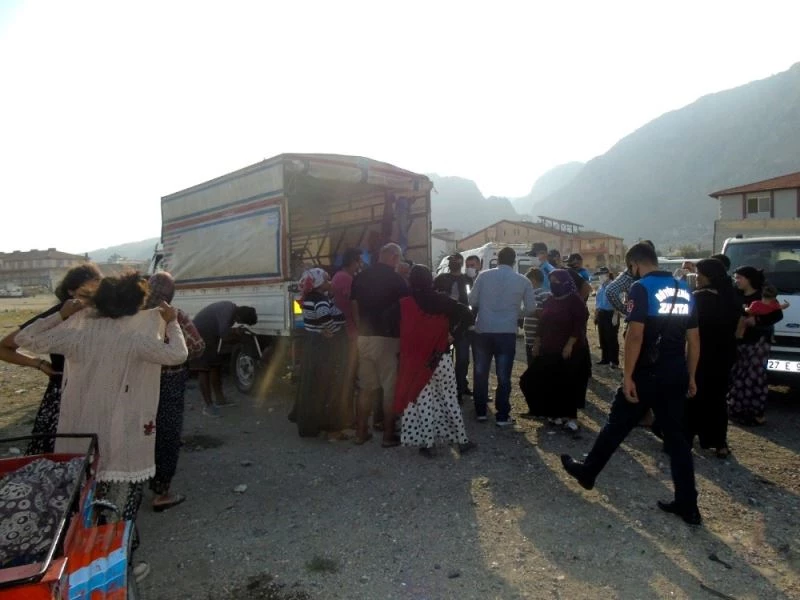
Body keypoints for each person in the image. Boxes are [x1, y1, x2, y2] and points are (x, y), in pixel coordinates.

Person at [15, 272, 188, 578]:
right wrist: (172, 321)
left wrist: (61, 313)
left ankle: (78, 569)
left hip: (81, 440)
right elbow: (178, 355)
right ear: (136, 304)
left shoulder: (76, 334)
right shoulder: (137, 338)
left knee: (81, 510)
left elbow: (24, 339)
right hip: (124, 439)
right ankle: (119, 568)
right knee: (120, 511)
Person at [560, 243, 702, 526]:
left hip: (647, 373)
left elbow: (635, 335)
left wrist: (627, 377)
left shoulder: (641, 288)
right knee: (678, 441)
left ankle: (588, 472)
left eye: (630, 268)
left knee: (617, 425)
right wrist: (691, 376)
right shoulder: (684, 288)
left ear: (635, 264)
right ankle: (688, 505)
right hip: (675, 373)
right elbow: (694, 339)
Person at [0, 263, 102, 454]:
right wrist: (38, 363)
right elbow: (4, 347)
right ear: (71, 292)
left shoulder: (105, 316)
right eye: (86, 292)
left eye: (98, 289)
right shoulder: (58, 315)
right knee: (57, 458)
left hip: (96, 395)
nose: (91, 297)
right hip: (62, 398)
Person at [387, 265, 475, 457]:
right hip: (440, 358)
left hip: (416, 363)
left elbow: (391, 325)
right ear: (430, 281)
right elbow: (468, 315)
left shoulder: (404, 304)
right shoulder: (443, 301)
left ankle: (428, 444)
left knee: (423, 402)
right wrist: (454, 334)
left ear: (411, 281)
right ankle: (462, 441)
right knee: (450, 400)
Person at [145, 272, 206, 512]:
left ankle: (133, 481)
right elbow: (198, 346)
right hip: (169, 383)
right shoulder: (173, 315)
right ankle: (161, 492)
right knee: (167, 435)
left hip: (137, 384)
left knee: (141, 430)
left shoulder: (132, 314)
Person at [468, 247, 536, 426]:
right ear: (514, 261)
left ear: (497, 259)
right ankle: (502, 415)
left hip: (483, 330)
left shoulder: (483, 276)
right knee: (504, 375)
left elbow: (472, 301)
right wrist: (515, 313)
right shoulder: (523, 281)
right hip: (506, 332)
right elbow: (530, 309)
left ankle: (481, 412)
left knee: (481, 372)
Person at [350, 243, 409, 446]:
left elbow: (354, 307)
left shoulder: (360, 277)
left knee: (365, 388)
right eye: (399, 258)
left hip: (364, 338)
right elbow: (406, 310)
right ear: (393, 257)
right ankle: (388, 436)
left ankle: (360, 433)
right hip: (387, 340)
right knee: (389, 388)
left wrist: (362, 330)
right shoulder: (397, 280)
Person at [521, 270, 589, 432]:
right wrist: (537, 342)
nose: (553, 284)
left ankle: (571, 418)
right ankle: (552, 413)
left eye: (557, 281)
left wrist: (569, 344)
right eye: (551, 280)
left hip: (571, 351)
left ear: (566, 282)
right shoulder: (550, 300)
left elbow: (579, 324)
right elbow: (542, 323)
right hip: (549, 349)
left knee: (569, 384)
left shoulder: (575, 300)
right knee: (533, 380)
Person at [686, 259, 739, 458]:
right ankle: (719, 442)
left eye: (699, 274)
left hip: (700, 353)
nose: (696, 277)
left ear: (709, 276)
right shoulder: (731, 296)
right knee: (717, 399)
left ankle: (688, 438)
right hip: (724, 354)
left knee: (694, 394)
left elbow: (689, 329)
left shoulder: (699, 298)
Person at [293, 268, 349, 438]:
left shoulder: (307, 299)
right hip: (324, 348)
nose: (329, 282)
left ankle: (309, 423)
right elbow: (329, 324)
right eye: (326, 280)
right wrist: (334, 330)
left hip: (312, 344)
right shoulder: (321, 301)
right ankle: (326, 425)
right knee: (325, 385)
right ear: (318, 283)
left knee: (311, 384)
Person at [727, 266, 783, 425]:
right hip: (738, 341)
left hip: (758, 342)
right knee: (738, 375)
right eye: (735, 278)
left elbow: (777, 314)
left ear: (749, 279)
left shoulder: (764, 296)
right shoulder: (735, 294)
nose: (736, 281)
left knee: (754, 377)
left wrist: (757, 321)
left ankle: (755, 412)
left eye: (739, 278)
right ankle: (736, 410)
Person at [189, 301, 258, 417]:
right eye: (241, 322)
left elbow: (222, 331)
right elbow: (225, 336)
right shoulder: (228, 311)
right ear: (239, 317)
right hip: (198, 336)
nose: (238, 323)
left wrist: (236, 333)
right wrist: (239, 336)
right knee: (203, 369)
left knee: (215, 366)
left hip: (209, 336)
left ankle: (220, 400)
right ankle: (208, 406)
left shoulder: (231, 311)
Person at [434, 254, 474, 401]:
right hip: (444, 323)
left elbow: (473, 299)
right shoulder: (441, 278)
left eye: (456, 260)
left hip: (462, 324)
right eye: (451, 260)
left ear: (461, 263)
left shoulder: (467, 279)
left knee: (463, 358)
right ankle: (446, 388)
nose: (454, 262)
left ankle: (460, 386)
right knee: (444, 358)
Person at [331, 248, 363, 430]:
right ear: (353, 262)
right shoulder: (346, 279)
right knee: (350, 377)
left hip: (344, 331)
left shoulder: (338, 277)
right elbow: (355, 304)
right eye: (359, 262)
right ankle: (349, 417)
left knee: (347, 376)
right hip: (350, 332)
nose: (360, 266)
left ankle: (347, 415)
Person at [522, 267, 551, 367]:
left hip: (535, 338)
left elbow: (543, 316)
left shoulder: (536, 293)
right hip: (533, 337)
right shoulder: (546, 293)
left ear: (533, 280)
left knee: (534, 365)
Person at [594, 268, 620, 368]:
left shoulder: (614, 286)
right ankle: (605, 359)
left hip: (611, 313)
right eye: (599, 275)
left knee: (612, 338)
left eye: (602, 274)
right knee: (603, 337)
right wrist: (596, 316)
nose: (600, 276)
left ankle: (614, 361)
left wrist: (615, 314)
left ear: (608, 274)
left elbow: (619, 301)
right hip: (602, 314)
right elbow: (598, 303)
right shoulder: (601, 287)